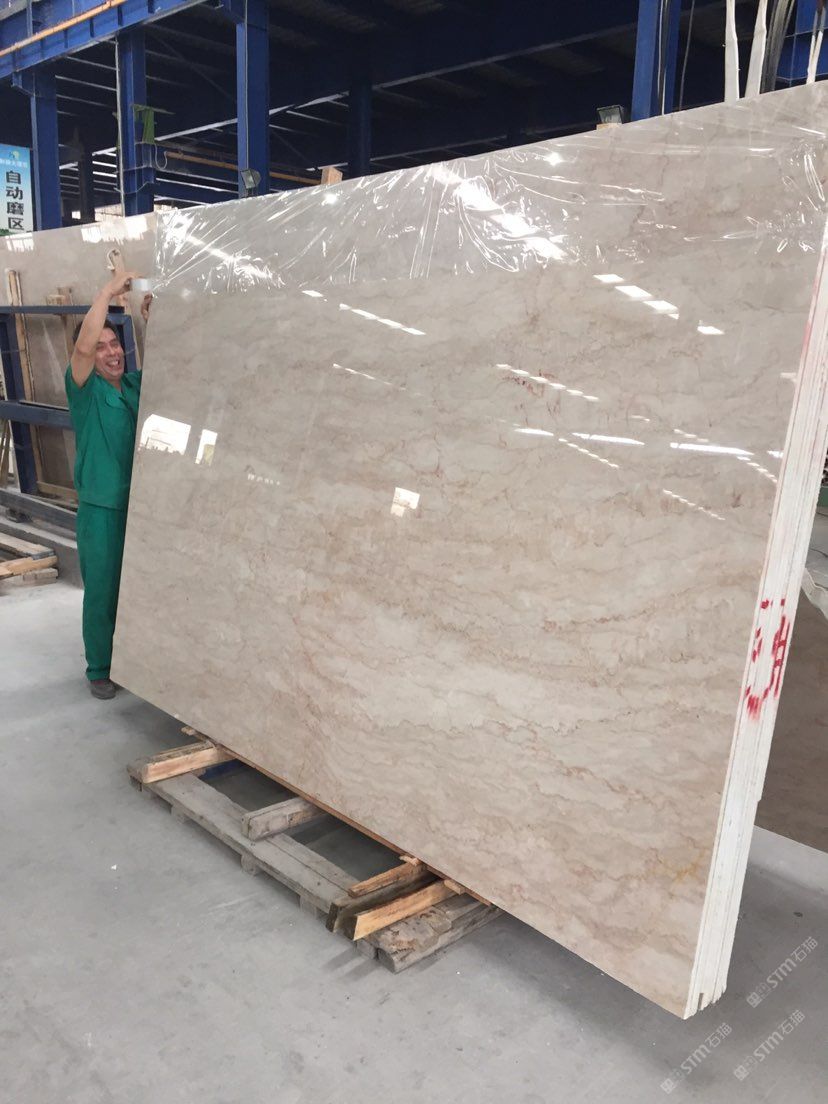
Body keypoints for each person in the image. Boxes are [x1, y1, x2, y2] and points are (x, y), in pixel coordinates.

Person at [65, 273, 152, 699]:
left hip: (141, 505)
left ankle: (133, 660)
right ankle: (100, 667)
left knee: (138, 586)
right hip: (101, 509)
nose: (110, 352)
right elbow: (81, 349)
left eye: (114, 343)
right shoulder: (84, 389)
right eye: (100, 347)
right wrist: (107, 292)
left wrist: (150, 322)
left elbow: (172, 370)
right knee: (103, 589)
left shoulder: (135, 386)